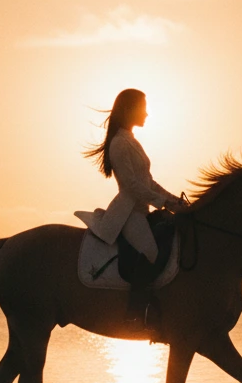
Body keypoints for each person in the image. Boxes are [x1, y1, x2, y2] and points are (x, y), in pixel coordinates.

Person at [75, 88, 185, 330]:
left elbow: (148, 182)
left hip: (141, 210)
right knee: (151, 253)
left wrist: (175, 202)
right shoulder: (119, 143)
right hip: (127, 214)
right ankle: (136, 312)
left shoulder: (131, 140)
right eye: (143, 107)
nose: (147, 113)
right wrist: (164, 203)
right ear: (129, 110)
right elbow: (132, 186)